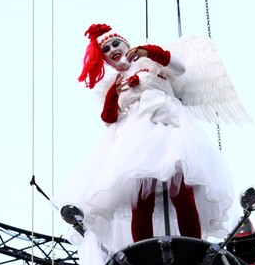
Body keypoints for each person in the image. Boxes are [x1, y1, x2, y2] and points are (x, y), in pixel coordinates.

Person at [70, 23, 235, 251]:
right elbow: (109, 119)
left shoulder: (150, 60)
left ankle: (193, 247)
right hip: (137, 138)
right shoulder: (113, 84)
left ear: (126, 43)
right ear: (105, 61)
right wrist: (113, 94)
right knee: (141, 199)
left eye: (115, 43)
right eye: (106, 50)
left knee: (182, 191)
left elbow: (180, 68)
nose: (112, 50)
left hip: (170, 128)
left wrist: (150, 52)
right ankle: (143, 250)